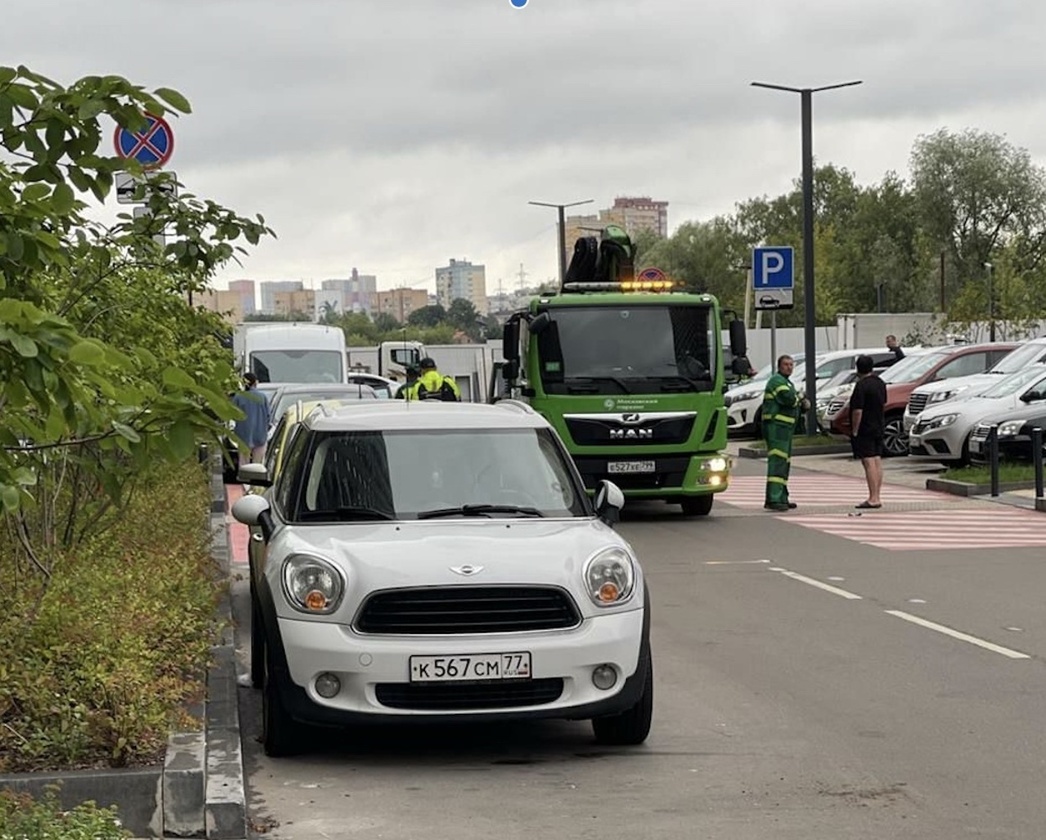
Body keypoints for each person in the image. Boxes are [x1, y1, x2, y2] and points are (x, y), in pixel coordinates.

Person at [761, 355, 809, 511]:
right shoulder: (777, 381)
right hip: (776, 428)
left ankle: (781, 496)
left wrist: (799, 401)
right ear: (779, 366)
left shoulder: (786, 382)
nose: (789, 367)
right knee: (777, 462)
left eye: (791, 364)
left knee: (784, 463)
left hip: (784, 429)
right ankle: (774, 499)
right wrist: (800, 398)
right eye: (786, 364)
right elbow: (788, 399)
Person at [849, 354, 888, 509]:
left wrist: (855, 430)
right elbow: (883, 403)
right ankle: (877, 494)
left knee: (868, 461)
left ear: (858, 368)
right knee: (877, 460)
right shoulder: (880, 383)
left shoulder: (861, 385)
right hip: (879, 425)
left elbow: (857, 411)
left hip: (865, 427)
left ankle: (873, 498)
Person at [232, 372, 271, 464]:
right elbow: (268, 416)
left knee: (243, 462)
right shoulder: (263, 397)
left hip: (243, 434)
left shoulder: (239, 397)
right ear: (255, 382)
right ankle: (256, 478)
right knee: (258, 464)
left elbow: (232, 414)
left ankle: (244, 477)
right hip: (260, 434)